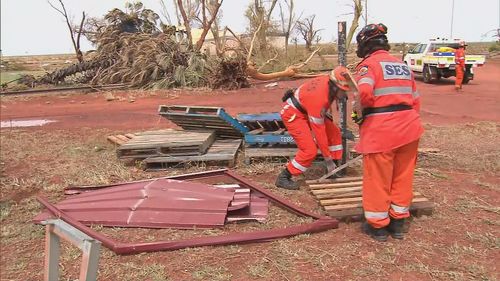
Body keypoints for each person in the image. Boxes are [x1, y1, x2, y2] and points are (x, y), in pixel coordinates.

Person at [353, 23, 424, 242]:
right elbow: (416, 99)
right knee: (403, 176)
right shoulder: (403, 66)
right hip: (410, 127)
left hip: (382, 130)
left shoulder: (368, 65)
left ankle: (378, 226)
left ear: (365, 44)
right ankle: (399, 223)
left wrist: (359, 114)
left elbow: (364, 94)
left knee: (378, 178)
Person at [275, 66, 351, 190]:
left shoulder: (329, 81)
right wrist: (328, 159)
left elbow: (326, 109)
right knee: (309, 150)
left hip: (306, 108)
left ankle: (332, 170)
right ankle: (284, 177)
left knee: (335, 133)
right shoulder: (319, 98)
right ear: (335, 86)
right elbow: (319, 134)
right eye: (342, 90)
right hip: (293, 114)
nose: (344, 94)